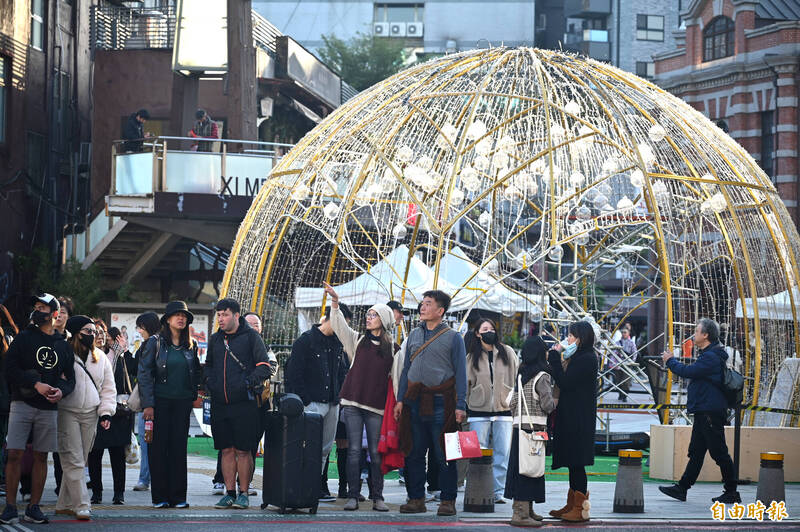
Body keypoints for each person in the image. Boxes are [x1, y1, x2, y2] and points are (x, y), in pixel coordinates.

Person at [1, 293, 76, 525]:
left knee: (42, 457)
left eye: (42, 307)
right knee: (13, 454)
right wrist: (35, 384)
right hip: (21, 404)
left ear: (54, 314)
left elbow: (70, 379)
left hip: (48, 409)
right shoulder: (24, 339)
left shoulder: (62, 346)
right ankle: (10, 507)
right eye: (35, 306)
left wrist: (61, 391)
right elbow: (9, 368)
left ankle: (34, 507)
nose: (37, 310)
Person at [323, 283, 396, 512]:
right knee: (354, 450)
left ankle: (378, 497)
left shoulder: (394, 348)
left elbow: (397, 379)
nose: (369, 318)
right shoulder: (357, 340)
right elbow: (339, 325)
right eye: (368, 314)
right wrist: (335, 302)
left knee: (375, 452)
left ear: (383, 320)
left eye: (373, 315)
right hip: (353, 403)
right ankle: (353, 495)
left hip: (376, 407)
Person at [394, 290, 467, 517]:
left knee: (445, 454)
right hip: (414, 402)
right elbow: (407, 369)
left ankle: (447, 500)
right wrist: (400, 399)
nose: (422, 308)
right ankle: (416, 499)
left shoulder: (454, 337)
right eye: (422, 303)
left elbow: (461, 374)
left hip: (442, 404)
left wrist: (460, 405)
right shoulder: (414, 335)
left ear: (440, 311)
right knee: (413, 452)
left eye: (428, 304)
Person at [659, 318, 740, 504]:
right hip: (704, 410)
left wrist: (670, 361)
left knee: (719, 453)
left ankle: (732, 491)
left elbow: (688, 371)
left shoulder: (711, 357)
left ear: (706, 335)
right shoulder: (709, 354)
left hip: (710, 411)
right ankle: (682, 488)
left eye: (696, 331)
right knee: (696, 452)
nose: (693, 335)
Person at [206, 299, 273, 510]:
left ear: (236, 316)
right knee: (226, 450)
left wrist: (247, 383)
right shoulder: (216, 339)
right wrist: (211, 383)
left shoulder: (251, 337)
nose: (220, 319)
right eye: (218, 315)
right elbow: (208, 365)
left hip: (245, 404)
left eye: (225, 315)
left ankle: (244, 493)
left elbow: (265, 366)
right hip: (220, 404)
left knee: (244, 451)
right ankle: (230, 493)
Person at [138, 301, 202, 508]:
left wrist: (196, 394)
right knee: (158, 449)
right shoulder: (155, 342)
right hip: (159, 402)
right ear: (167, 319)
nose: (181, 318)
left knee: (178, 449)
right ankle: (160, 497)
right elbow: (145, 374)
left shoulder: (191, 345)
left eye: (184, 316)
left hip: (182, 403)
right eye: (177, 315)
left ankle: (178, 497)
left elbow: (196, 373)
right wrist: (148, 404)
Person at [284, 303, 352, 499]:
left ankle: (312, 488)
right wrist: (305, 400)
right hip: (312, 403)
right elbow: (294, 373)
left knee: (324, 449)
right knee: (306, 448)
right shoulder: (306, 341)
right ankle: (299, 488)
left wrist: (338, 395)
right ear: (331, 319)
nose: (344, 330)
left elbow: (341, 371)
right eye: (343, 325)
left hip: (332, 403)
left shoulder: (338, 342)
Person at [55, 316, 116, 520]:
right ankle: (82, 504)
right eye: (87, 331)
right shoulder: (63, 353)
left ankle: (64, 503)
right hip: (66, 411)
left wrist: (106, 411)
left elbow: (109, 387)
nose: (93, 335)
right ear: (75, 332)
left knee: (79, 459)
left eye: (94, 331)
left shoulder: (100, 357)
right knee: (73, 458)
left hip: (91, 412)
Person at [546, 320, 597, 523]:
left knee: (577, 462)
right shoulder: (578, 356)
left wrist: (554, 360)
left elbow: (565, 382)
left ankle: (580, 507)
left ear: (581, 338)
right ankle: (572, 504)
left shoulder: (587, 358)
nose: (568, 339)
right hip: (572, 416)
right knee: (572, 462)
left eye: (571, 336)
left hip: (579, 419)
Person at [465, 318, 519, 504]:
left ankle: (498, 491)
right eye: (485, 329)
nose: (490, 331)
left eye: (492, 328)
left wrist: (510, 398)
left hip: (504, 410)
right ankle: (476, 486)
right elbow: (466, 384)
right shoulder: (471, 357)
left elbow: (516, 378)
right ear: (478, 333)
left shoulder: (508, 352)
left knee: (502, 453)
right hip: (477, 411)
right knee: (476, 452)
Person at [506, 336, 554, 527]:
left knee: (522, 470)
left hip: (519, 430)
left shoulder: (521, 375)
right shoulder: (543, 376)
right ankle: (521, 514)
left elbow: (512, 403)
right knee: (533, 470)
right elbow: (547, 405)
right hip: (535, 429)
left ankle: (526, 510)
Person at [88, 326, 134, 505]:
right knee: (95, 454)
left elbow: (128, 370)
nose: (100, 338)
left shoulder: (118, 355)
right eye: (96, 334)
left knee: (117, 454)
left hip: (117, 411)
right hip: (94, 410)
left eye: (104, 335)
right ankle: (97, 492)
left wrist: (123, 350)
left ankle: (119, 493)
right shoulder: (87, 356)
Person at [132, 312, 160, 493]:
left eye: (141, 327)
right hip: (156, 400)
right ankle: (149, 478)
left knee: (146, 441)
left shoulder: (151, 343)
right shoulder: (158, 342)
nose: (139, 331)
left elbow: (144, 374)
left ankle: (144, 479)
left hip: (148, 403)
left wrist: (148, 404)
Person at [614, 328, 636, 402]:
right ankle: (620, 394)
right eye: (622, 332)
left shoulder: (631, 343)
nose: (624, 334)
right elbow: (614, 353)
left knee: (626, 381)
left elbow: (634, 353)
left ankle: (625, 395)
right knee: (618, 381)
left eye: (625, 332)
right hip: (619, 364)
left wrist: (632, 362)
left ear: (628, 333)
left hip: (627, 364)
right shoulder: (617, 342)